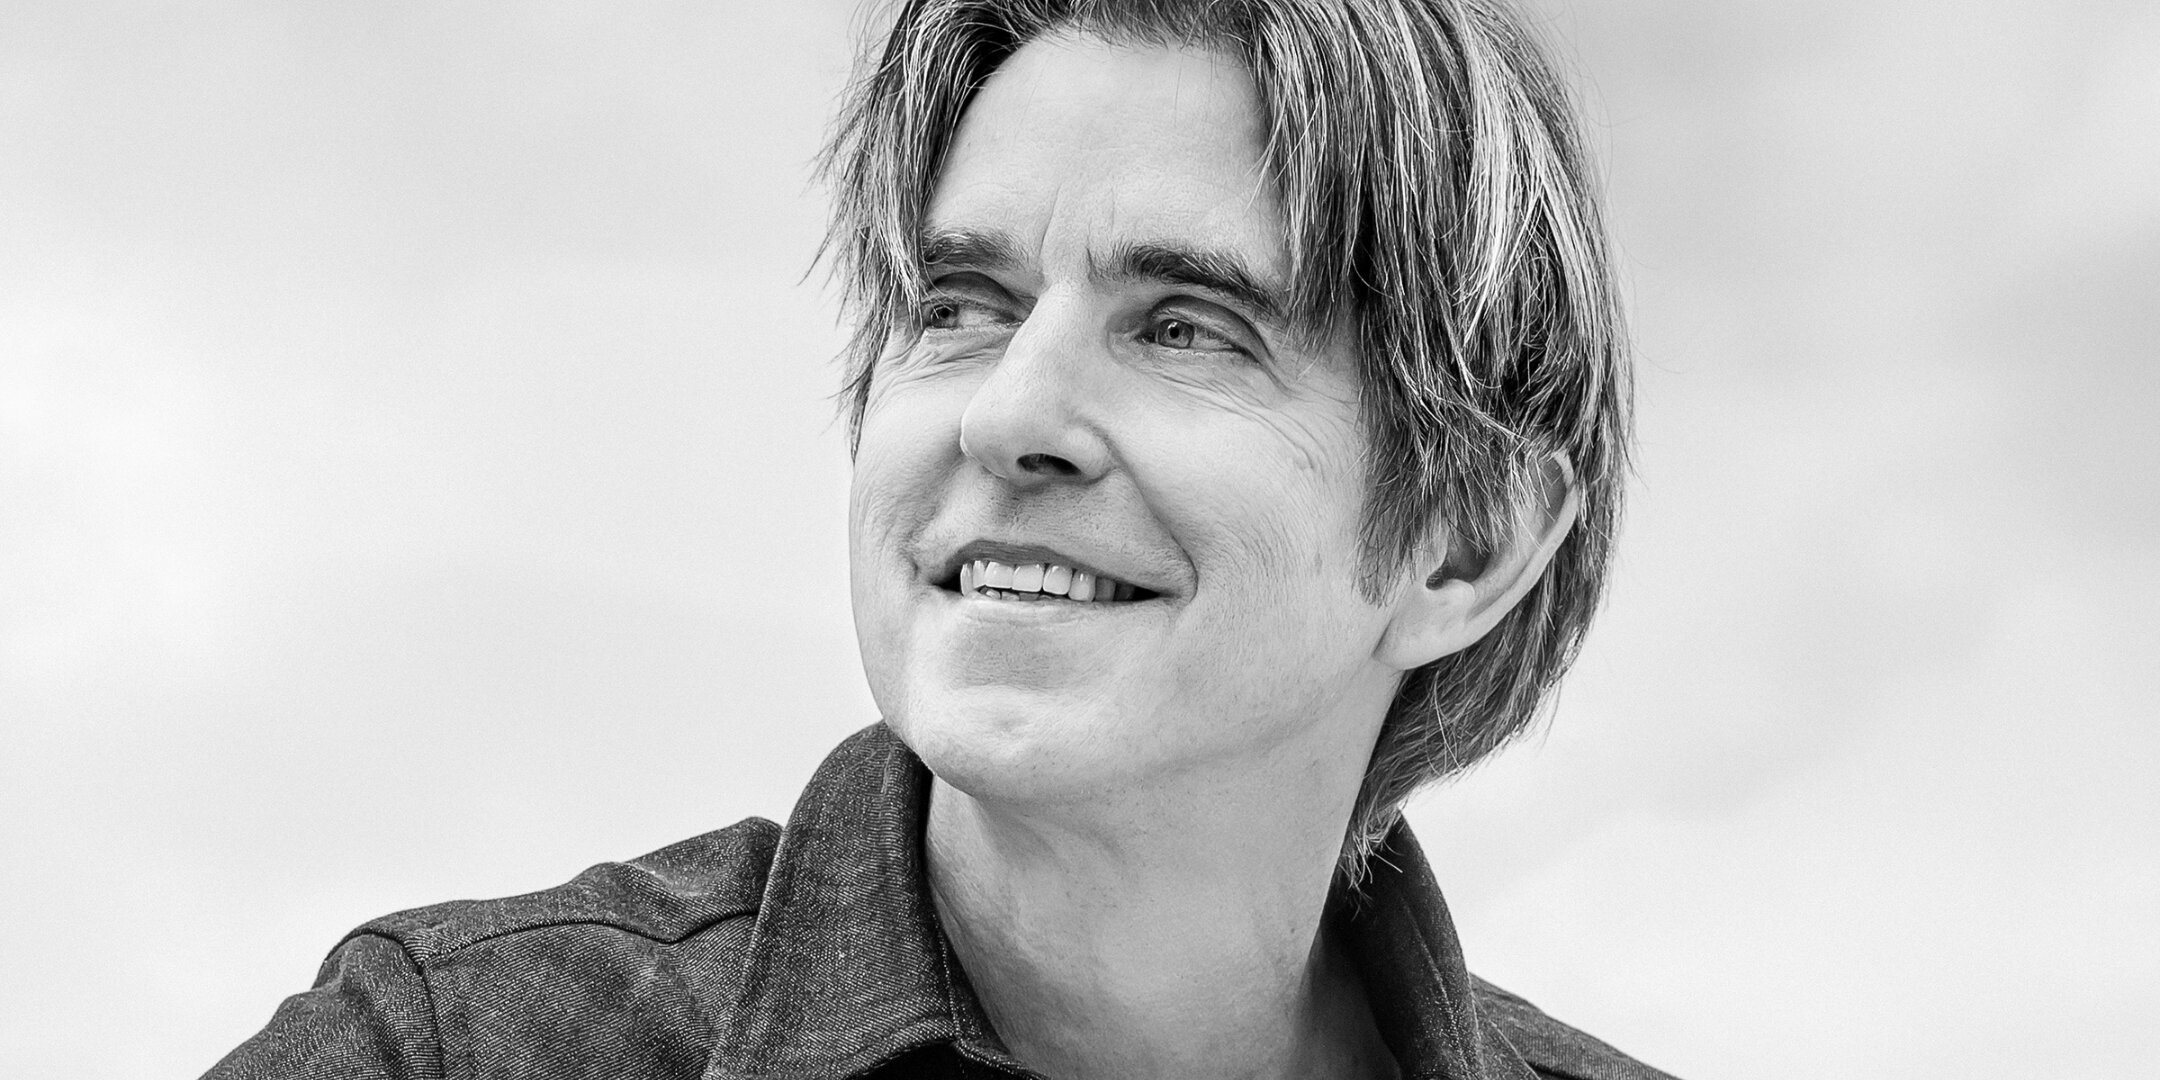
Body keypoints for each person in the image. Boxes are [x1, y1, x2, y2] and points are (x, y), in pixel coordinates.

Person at [207, 1, 1673, 1077]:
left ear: (1467, 543)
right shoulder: (444, 1051)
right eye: (962, 308)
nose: (1006, 413)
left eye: (1185, 327)